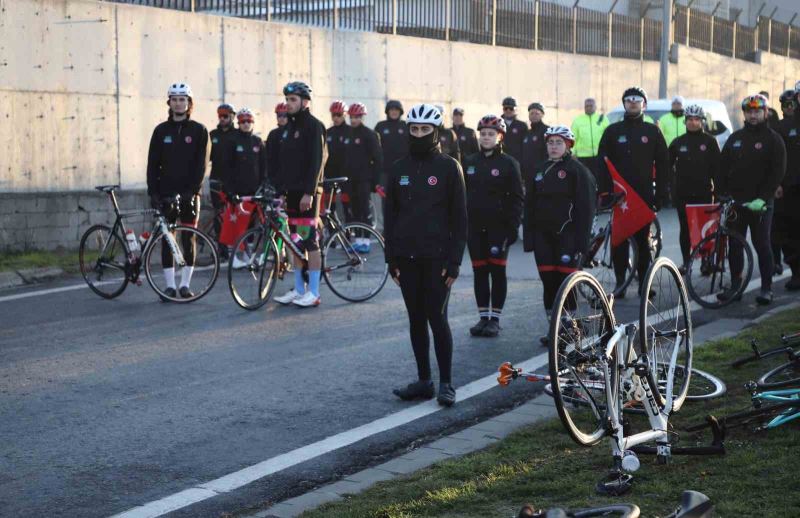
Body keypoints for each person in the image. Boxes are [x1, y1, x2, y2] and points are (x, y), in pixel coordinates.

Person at [384, 103, 466, 407]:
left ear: (436, 132)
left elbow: (460, 219)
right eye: (414, 129)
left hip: (438, 260)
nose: (418, 134)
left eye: (424, 130)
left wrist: (454, 262)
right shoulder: (398, 168)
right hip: (406, 259)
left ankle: (446, 383)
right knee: (415, 320)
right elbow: (389, 217)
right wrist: (391, 259)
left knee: (437, 318)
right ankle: (424, 380)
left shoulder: (448, 167)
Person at [523, 126, 596, 345]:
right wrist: (529, 238)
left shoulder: (578, 171)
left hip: (569, 237)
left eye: (559, 142)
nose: (554, 147)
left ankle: (570, 328)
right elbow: (529, 207)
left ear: (568, 145)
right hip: (543, 237)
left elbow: (587, 209)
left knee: (567, 284)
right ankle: (554, 329)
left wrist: (583, 244)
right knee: (549, 283)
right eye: (550, 142)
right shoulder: (539, 170)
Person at [597, 86, 669, 298]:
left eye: (637, 100)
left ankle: (644, 284)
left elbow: (664, 164)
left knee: (642, 243)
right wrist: (604, 192)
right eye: (629, 100)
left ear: (644, 104)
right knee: (619, 242)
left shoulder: (652, 131)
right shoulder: (612, 131)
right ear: (624, 104)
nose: (633, 102)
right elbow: (602, 163)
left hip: (643, 196)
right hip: (620, 197)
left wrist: (661, 194)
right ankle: (620, 283)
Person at [717, 94, 786, 305]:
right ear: (744, 113)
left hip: (761, 204)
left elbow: (777, 172)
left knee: (762, 244)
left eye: (757, 111)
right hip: (737, 202)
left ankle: (766, 288)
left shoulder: (773, 139)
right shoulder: (735, 138)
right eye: (749, 111)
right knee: (735, 245)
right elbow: (721, 168)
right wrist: (721, 193)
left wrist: (764, 198)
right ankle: (736, 285)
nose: (753, 115)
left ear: (765, 113)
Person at [146, 82, 209, 299]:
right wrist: (153, 192)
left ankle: (185, 284)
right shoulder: (160, 131)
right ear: (169, 103)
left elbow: (201, 165)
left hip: (190, 195)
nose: (178, 103)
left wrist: (193, 191)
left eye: (182, 99)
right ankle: (170, 286)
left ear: (189, 103)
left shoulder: (199, 131)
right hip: (166, 193)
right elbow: (152, 164)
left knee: (188, 238)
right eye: (174, 99)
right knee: (168, 238)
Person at [463, 115, 523, 338]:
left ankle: (495, 319)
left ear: (500, 137)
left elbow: (517, 198)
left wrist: (513, 227)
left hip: (499, 228)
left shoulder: (509, 164)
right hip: (475, 228)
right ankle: (483, 317)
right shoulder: (469, 162)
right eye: (483, 134)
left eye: (491, 134)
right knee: (479, 273)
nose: (486, 138)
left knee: (497, 272)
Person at [272, 81, 327, 308]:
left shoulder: (314, 126)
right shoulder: (288, 129)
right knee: (294, 242)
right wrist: (282, 192)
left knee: (309, 241)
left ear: (305, 102)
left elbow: (316, 162)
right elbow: (285, 164)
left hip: (307, 194)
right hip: (291, 193)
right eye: (287, 99)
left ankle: (313, 292)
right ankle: (298, 289)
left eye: (293, 100)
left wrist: (309, 192)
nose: (289, 104)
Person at [668, 104, 720, 273]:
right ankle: (686, 262)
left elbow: (717, 169)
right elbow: (666, 166)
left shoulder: (710, 142)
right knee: (685, 229)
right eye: (689, 119)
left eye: (696, 119)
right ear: (685, 121)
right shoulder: (678, 142)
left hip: (704, 192)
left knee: (705, 229)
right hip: (683, 193)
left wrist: (719, 191)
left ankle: (706, 261)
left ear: (702, 121)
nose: (692, 122)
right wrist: (669, 188)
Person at [227, 108, 268, 268]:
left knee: (252, 224)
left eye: (248, 121)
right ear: (238, 123)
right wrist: (229, 190)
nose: (245, 124)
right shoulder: (233, 141)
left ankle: (248, 253)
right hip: (238, 192)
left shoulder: (258, 142)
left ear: (253, 123)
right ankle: (235, 255)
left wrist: (264, 185)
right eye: (242, 121)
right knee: (237, 224)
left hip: (255, 192)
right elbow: (228, 168)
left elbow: (264, 166)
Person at [344, 102, 383, 252]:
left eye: (357, 117)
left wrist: (375, 182)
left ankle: (366, 241)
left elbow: (378, 159)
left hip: (364, 180)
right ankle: (358, 239)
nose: (354, 120)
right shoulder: (348, 134)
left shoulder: (369, 134)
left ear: (362, 117)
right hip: (350, 180)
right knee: (354, 210)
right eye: (352, 117)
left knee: (364, 210)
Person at [775, 85, 800, 290]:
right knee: (789, 232)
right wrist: (777, 184)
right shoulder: (782, 127)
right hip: (789, 189)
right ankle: (796, 273)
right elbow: (773, 159)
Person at [209, 103, 237, 257]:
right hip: (215, 180)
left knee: (232, 214)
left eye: (225, 116)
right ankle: (221, 247)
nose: (222, 119)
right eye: (220, 116)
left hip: (232, 182)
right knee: (218, 213)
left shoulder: (237, 135)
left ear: (232, 117)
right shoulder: (213, 135)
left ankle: (232, 245)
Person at [324, 100, 351, 219]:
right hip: (331, 176)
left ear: (344, 115)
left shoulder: (351, 132)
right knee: (330, 207)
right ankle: (332, 233)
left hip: (346, 176)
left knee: (347, 207)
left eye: (339, 115)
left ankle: (349, 235)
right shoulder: (328, 133)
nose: (336, 118)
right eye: (333, 115)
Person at [571, 97, 609, 180]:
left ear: (595, 107)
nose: (588, 107)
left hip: (599, 156)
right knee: (584, 178)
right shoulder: (578, 120)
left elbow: (608, 137)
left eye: (591, 105)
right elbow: (573, 138)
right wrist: (572, 152)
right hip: (582, 157)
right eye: (586, 106)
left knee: (599, 178)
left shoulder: (603, 119)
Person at [375, 100, 409, 182]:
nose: (394, 112)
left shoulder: (406, 125)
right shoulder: (380, 126)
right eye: (391, 110)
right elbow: (375, 147)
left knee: (404, 190)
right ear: (387, 111)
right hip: (385, 169)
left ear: (400, 112)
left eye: (396, 110)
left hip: (403, 168)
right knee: (385, 193)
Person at [520, 102, 549, 185]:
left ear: (542, 115)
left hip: (541, 173)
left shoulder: (546, 130)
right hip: (527, 173)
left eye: (537, 113)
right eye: (531, 113)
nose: (534, 115)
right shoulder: (527, 133)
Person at [501, 96, 528, 164]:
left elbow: (525, 147)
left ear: (515, 109)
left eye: (511, 108)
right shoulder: (498, 124)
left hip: (517, 160)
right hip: (500, 159)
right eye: (506, 108)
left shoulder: (522, 125)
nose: (508, 110)